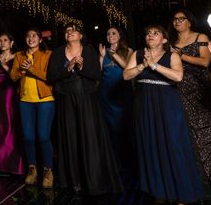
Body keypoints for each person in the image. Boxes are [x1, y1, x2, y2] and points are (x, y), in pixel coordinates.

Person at [123, 25, 206, 205]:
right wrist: (143, 65)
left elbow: (178, 77)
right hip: (144, 105)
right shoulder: (137, 54)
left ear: (164, 39)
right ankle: (158, 190)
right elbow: (126, 75)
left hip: (167, 104)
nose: (150, 36)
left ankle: (182, 192)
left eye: (155, 33)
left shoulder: (172, 55)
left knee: (173, 145)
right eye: (148, 33)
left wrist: (154, 65)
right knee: (151, 145)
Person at [48, 23, 122, 195]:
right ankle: (74, 180)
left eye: (73, 30)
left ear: (81, 35)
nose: (70, 33)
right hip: (66, 99)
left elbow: (96, 74)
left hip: (87, 99)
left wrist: (81, 67)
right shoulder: (58, 52)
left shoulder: (88, 51)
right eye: (67, 31)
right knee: (71, 137)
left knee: (88, 137)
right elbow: (51, 76)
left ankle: (93, 179)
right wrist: (68, 67)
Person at [170, 9, 211, 182]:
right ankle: (195, 175)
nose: (177, 22)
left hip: (200, 87)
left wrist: (180, 55)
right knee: (187, 130)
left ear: (189, 22)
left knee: (205, 127)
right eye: (175, 19)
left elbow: (205, 61)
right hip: (180, 89)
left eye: (181, 19)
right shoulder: (172, 42)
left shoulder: (201, 38)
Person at [10, 29, 54, 188]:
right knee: (28, 137)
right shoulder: (19, 55)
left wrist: (31, 69)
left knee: (43, 136)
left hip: (45, 100)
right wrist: (22, 69)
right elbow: (13, 76)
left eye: (34, 35)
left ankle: (48, 171)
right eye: (28, 36)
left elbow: (50, 76)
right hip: (25, 101)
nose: (31, 38)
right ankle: (32, 169)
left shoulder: (48, 54)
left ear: (40, 39)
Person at [98, 26, 135, 172]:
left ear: (120, 36)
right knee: (111, 129)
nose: (110, 35)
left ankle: (128, 162)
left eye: (113, 33)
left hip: (122, 93)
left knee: (124, 127)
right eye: (108, 34)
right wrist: (101, 57)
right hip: (106, 94)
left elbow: (128, 69)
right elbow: (98, 73)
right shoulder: (104, 52)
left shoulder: (129, 51)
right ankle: (114, 162)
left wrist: (116, 55)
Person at [0, 32, 23, 174]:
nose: (2, 43)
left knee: (12, 124)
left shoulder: (17, 56)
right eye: (0, 41)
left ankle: (15, 162)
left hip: (12, 93)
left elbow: (17, 77)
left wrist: (4, 65)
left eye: (5, 40)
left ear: (11, 43)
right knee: (1, 126)